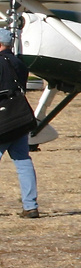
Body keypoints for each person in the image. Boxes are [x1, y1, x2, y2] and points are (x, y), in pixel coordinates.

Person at [0, 29, 39, 217]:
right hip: (20, 118)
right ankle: (30, 205)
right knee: (23, 162)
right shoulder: (19, 63)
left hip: (2, 120)